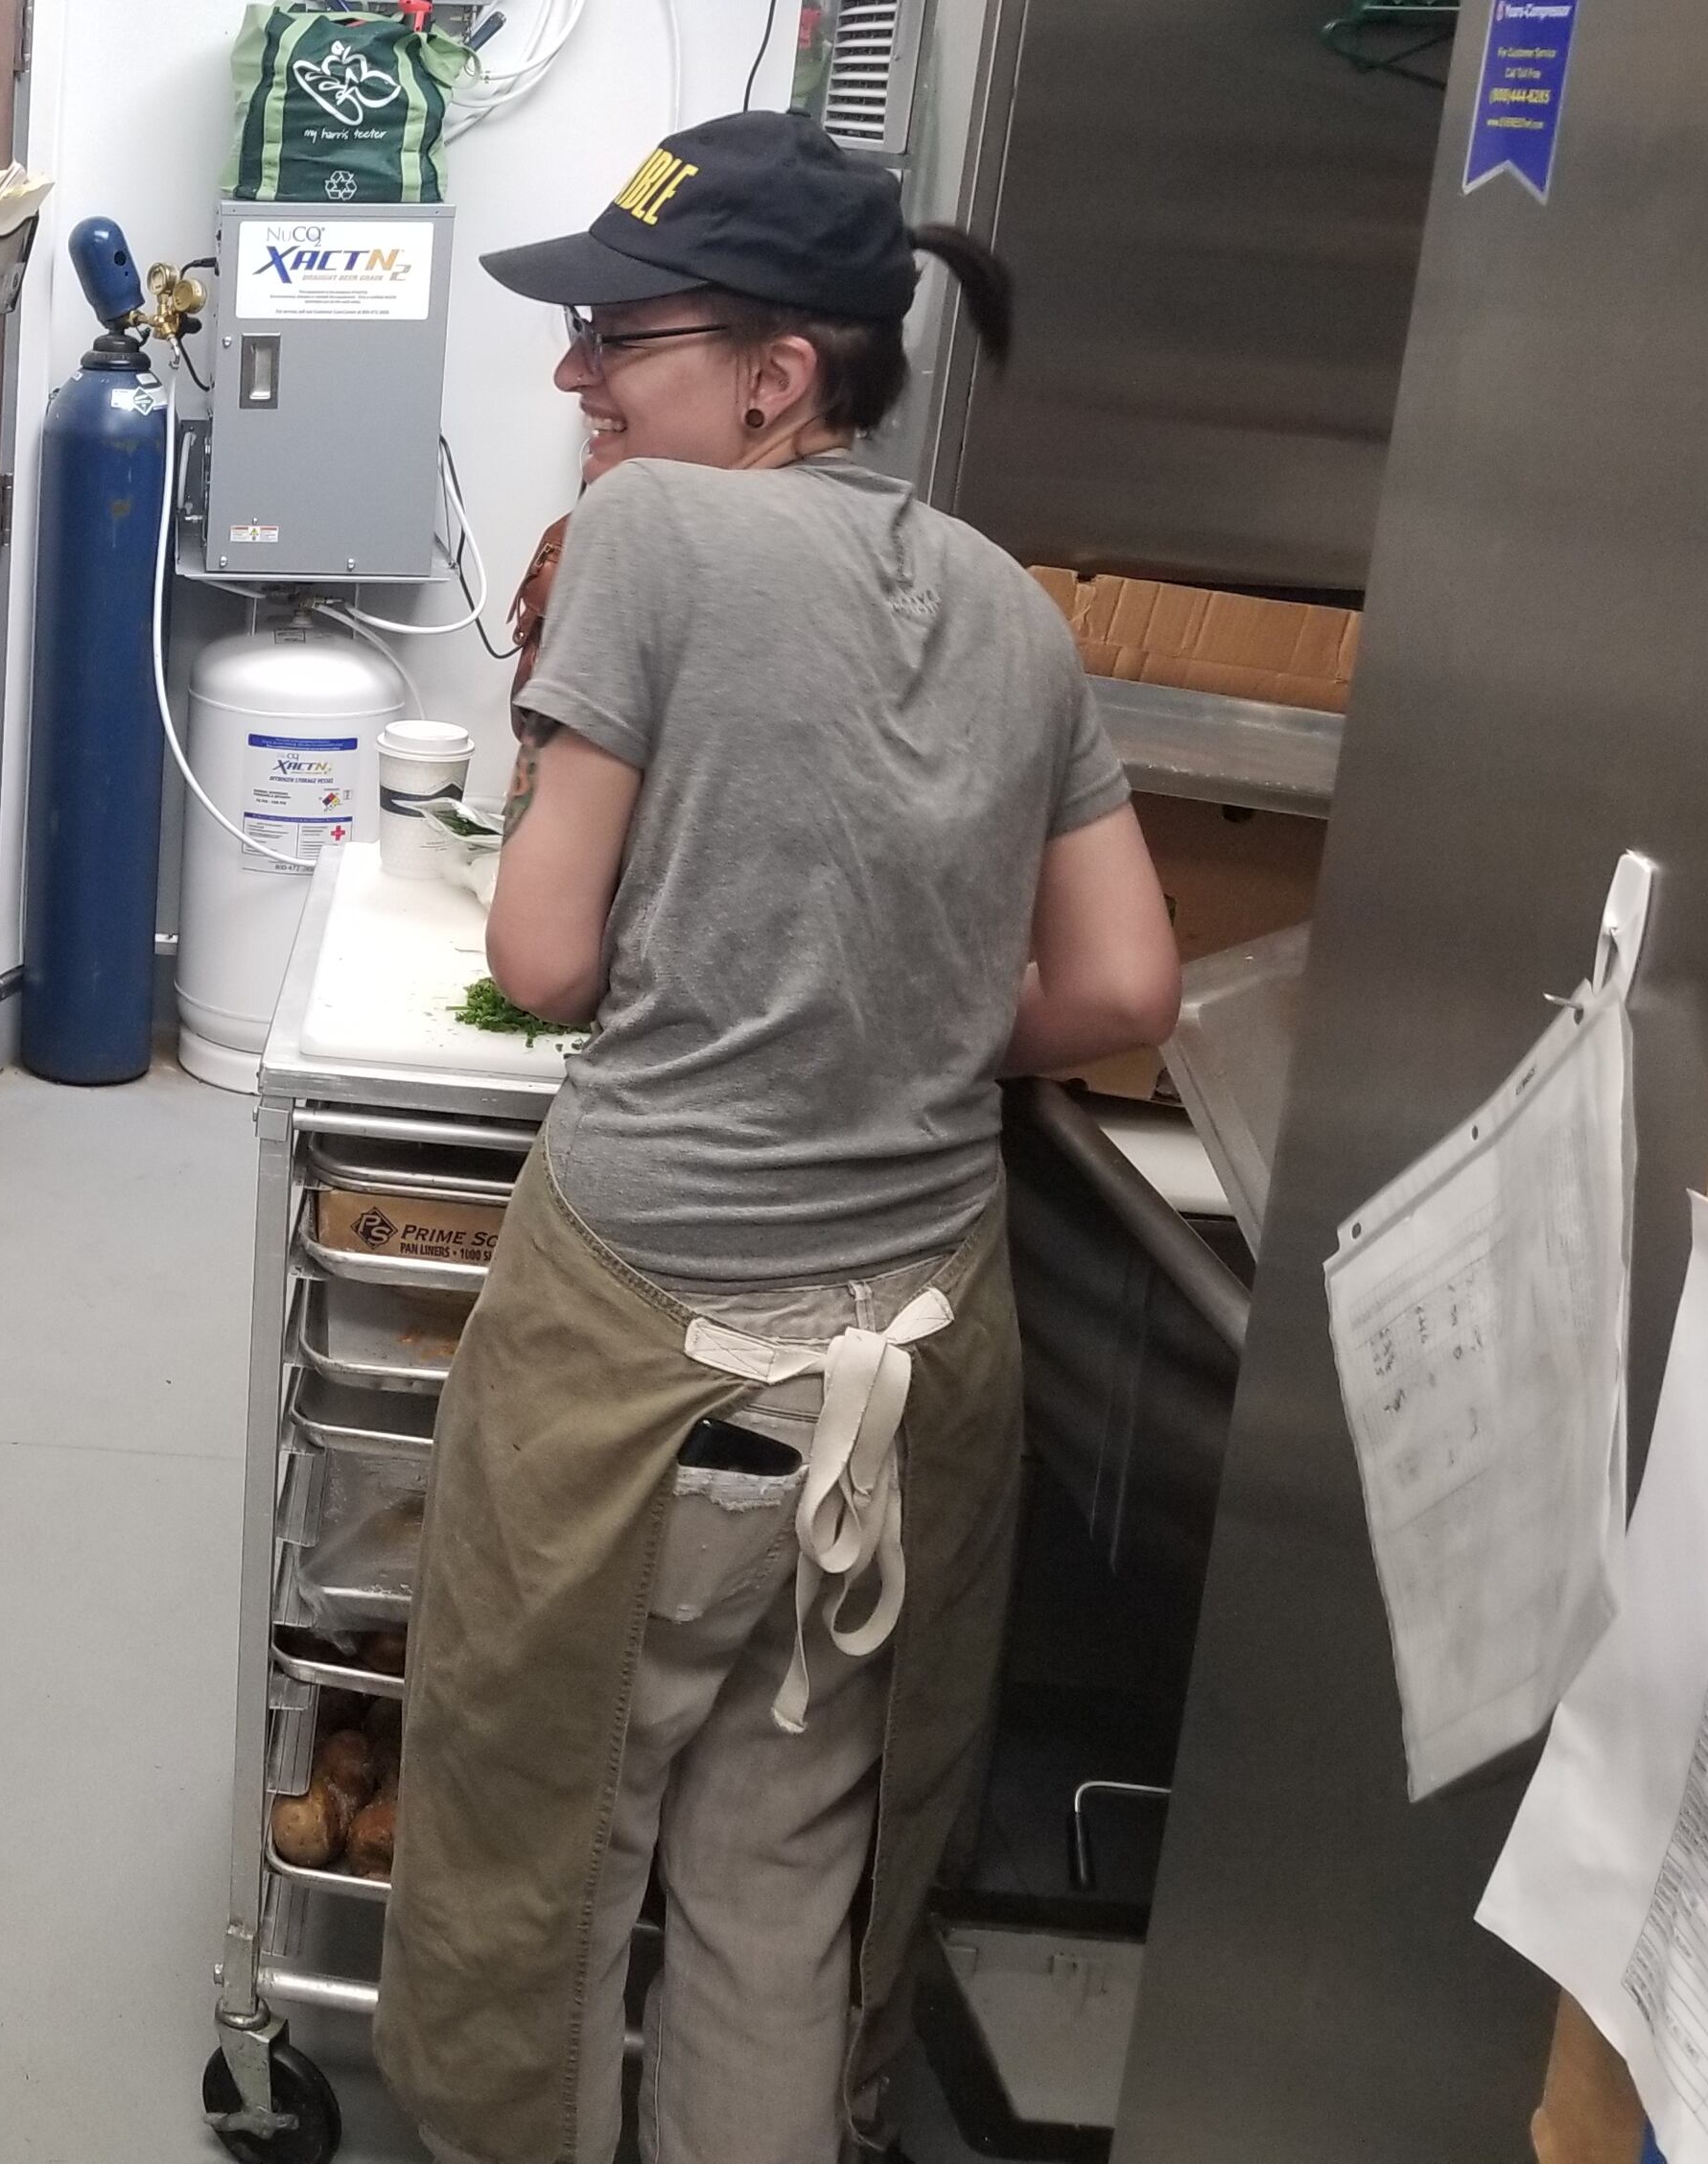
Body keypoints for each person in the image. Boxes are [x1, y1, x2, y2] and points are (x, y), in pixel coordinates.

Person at [375, 112, 1182, 2164]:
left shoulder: (654, 543)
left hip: (655, 1344)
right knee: (791, 1888)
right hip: (918, 1369)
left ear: (777, 371)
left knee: (545, 1857)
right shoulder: (1014, 604)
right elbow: (1119, 994)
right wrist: (893, 1016)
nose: (577, 383)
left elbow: (546, 956)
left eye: (616, 341)